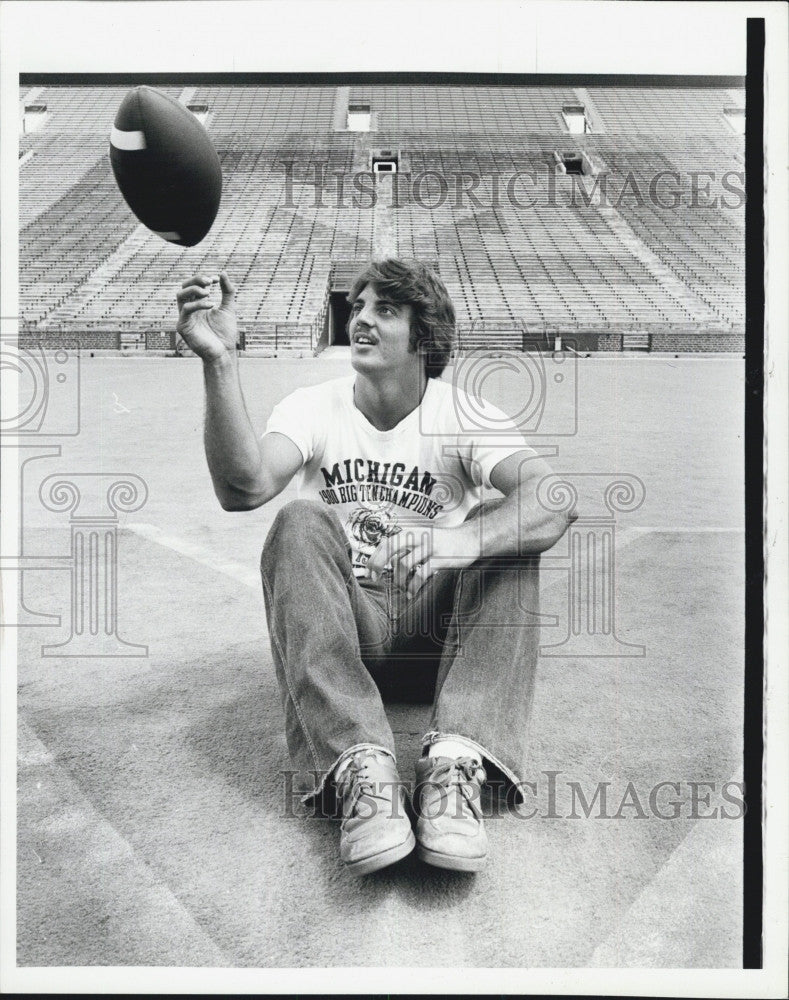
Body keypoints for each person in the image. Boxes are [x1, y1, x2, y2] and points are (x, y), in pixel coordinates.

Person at [176, 259, 573, 875]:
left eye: (385, 309)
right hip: (347, 640)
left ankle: (455, 766)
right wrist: (219, 361)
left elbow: (555, 500)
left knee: (510, 529)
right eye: (357, 307)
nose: (360, 318)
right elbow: (244, 488)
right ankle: (361, 773)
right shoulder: (314, 406)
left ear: (425, 336)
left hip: (435, 642)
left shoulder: (462, 413)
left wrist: (461, 543)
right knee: (299, 520)